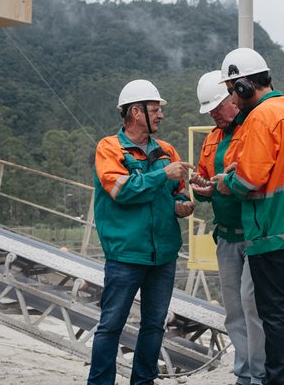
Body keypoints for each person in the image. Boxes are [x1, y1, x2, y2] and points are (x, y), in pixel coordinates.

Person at [213, 48, 284, 385]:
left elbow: (248, 181)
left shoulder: (260, 117)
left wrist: (225, 181)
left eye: (233, 90)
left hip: (271, 228)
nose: (233, 98)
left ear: (244, 86)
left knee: (273, 311)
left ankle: (277, 379)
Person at [88, 79, 195, 385]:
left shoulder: (167, 150)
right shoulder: (109, 148)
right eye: (155, 109)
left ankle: (143, 382)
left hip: (163, 254)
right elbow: (122, 191)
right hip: (125, 254)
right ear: (136, 112)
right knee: (111, 325)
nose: (161, 115)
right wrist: (163, 175)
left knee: (154, 325)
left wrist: (183, 204)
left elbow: (179, 193)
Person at [189, 70, 265, 385]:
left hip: (255, 234)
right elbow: (205, 183)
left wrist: (228, 184)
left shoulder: (253, 131)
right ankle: (244, 374)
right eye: (211, 112)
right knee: (234, 311)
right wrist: (201, 189)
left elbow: (257, 178)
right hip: (227, 236)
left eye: (219, 108)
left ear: (233, 99)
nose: (216, 115)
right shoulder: (211, 140)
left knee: (253, 306)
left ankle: (260, 373)